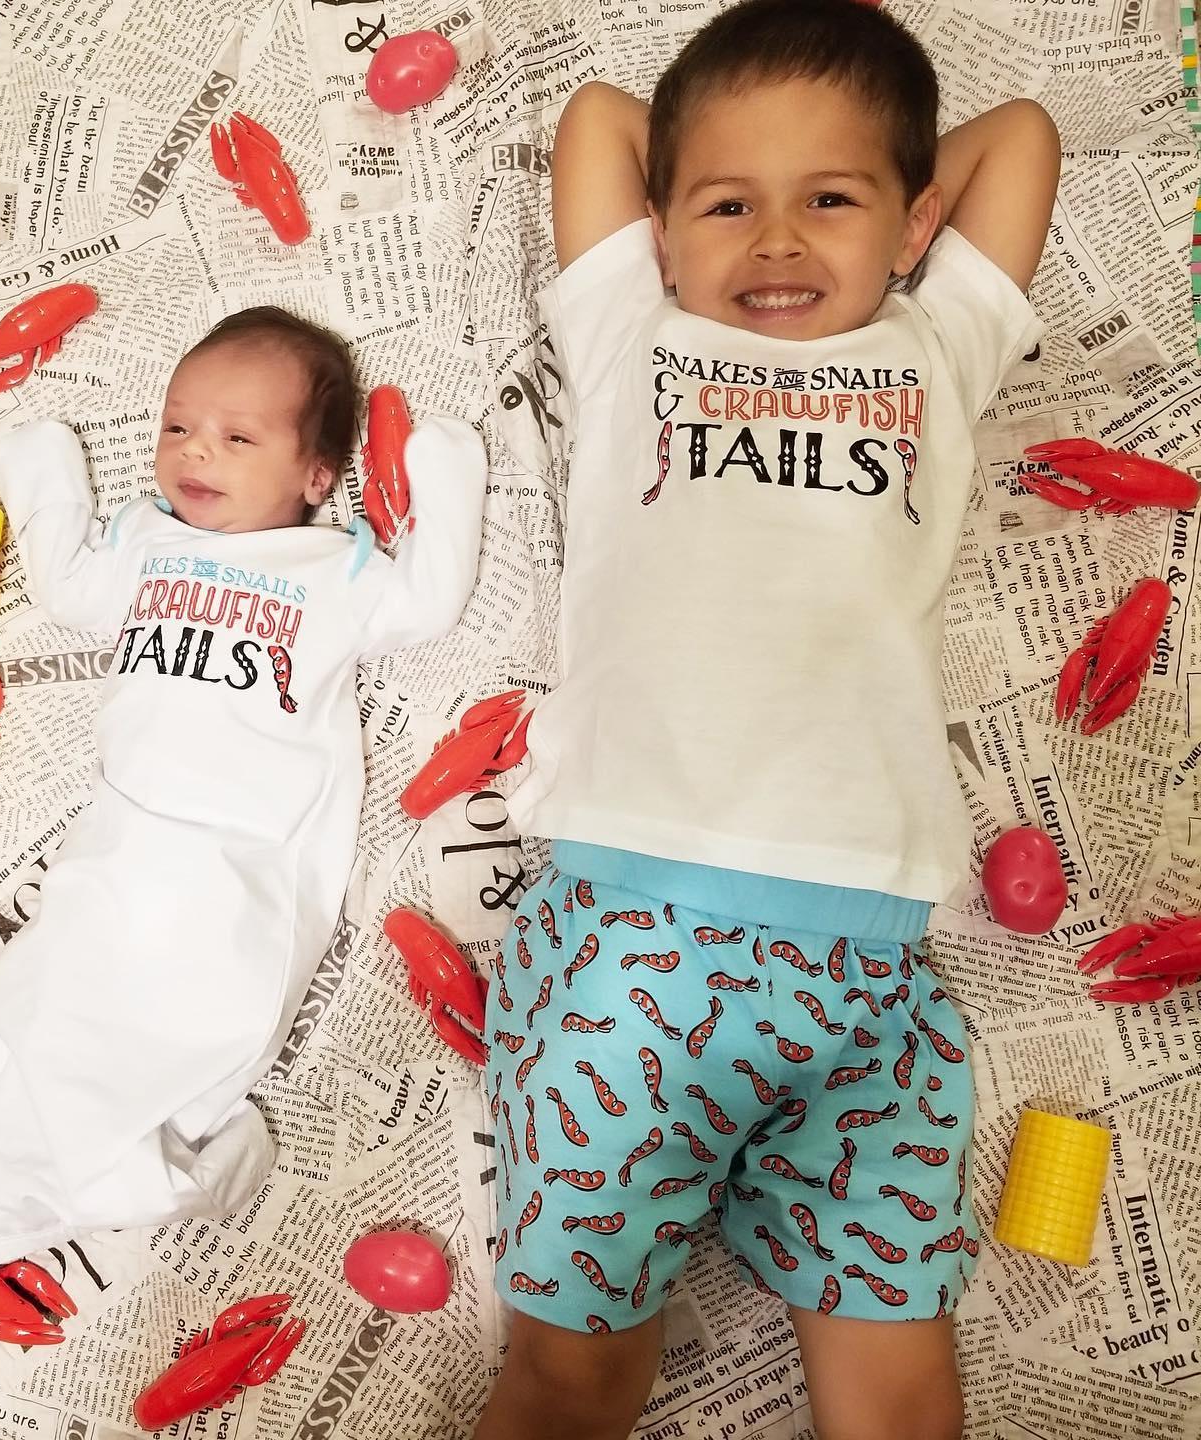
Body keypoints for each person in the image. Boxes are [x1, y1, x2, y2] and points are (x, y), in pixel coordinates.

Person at [475, 3, 1059, 1437]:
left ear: (915, 221)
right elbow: (603, 114)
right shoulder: (636, 336)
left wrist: (890, 177)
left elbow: (1023, 140)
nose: (782, 242)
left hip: (873, 982)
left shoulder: (941, 349)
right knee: (569, 1374)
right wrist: (776, 186)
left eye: (833, 202)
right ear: (664, 234)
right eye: (732, 205)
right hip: (637, 955)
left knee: (905, 1380)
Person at [0, 307, 486, 1263]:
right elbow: (69, 586)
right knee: (56, 981)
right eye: (177, 427)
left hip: (247, 849)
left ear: (316, 477)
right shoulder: (146, 546)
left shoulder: (334, 569)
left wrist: (449, 476)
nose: (196, 451)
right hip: (123, 832)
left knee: (204, 1000)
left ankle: (137, 1162)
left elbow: (429, 603)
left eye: (238, 438)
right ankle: (56, 1148)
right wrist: (43, 476)